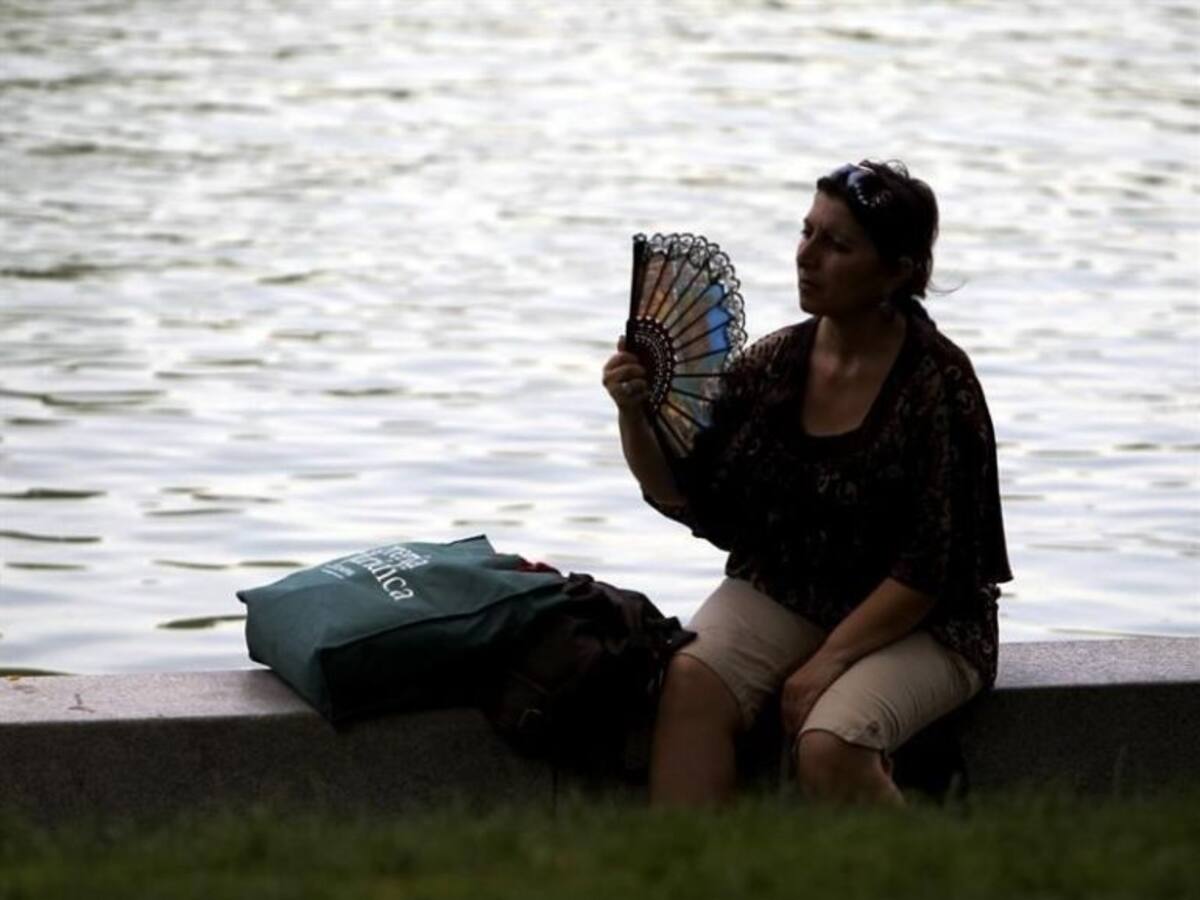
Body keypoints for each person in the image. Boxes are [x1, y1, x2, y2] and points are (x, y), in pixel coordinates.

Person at [602, 160, 1012, 807]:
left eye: (837, 244)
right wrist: (633, 413)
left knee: (830, 743)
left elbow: (928, 571)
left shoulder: (937, 382)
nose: (807, 256)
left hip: (926, 621)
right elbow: (685, 491)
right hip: (794, 589)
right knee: (690, 679)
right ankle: (686, 871)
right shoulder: (772, 365)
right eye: (806, 232)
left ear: (898, 272)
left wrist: (825, 663)